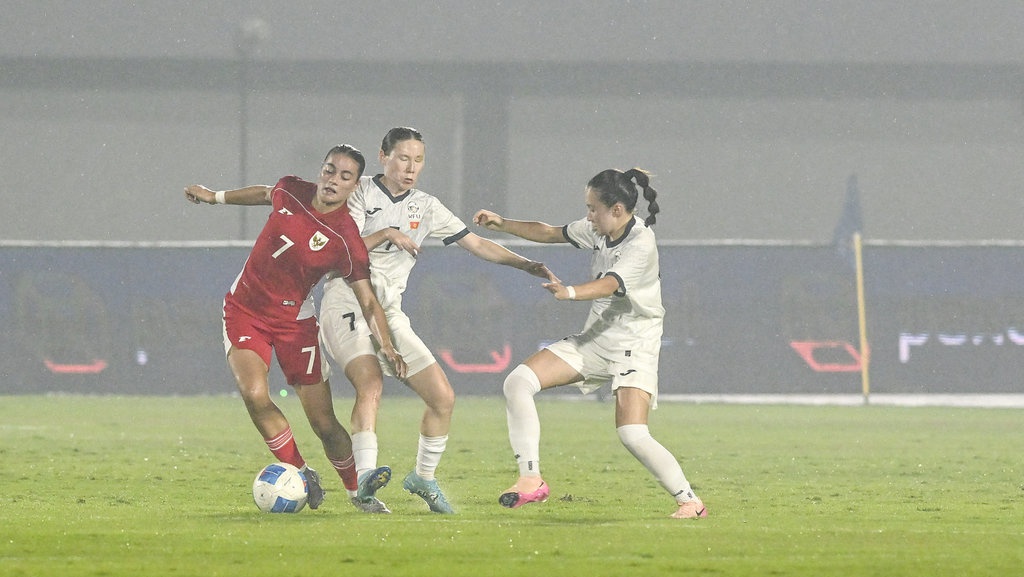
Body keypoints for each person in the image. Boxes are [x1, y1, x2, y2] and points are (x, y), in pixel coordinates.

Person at [318, 127, 556, 514]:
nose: (411, 168)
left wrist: (525, 264)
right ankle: (365, 480)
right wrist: (388, 232)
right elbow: (343, 249)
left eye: (418, 160)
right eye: (403, 158)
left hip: (389, 311)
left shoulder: (426, 206)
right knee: (370, 381)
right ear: (383, 157)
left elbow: (476, 243)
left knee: (442, 398)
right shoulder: (359, 191)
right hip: (346, 298)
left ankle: (423, 478)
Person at [472, 168, 708, 519]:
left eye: (593, 208)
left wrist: (568, 292)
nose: (588, 216)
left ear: (617, 209)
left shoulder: (640, 243)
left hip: (635, 345)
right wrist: (502, 223)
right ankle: (531, 479)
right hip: (595, 340)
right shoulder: (599, 229)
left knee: (632, 434)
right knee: (518, 382)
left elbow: (610, 284)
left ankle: (690, 501)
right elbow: (550, 232)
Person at [184, 144, 407, 512]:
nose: (333, 180)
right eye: (330, 170)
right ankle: (302, 473)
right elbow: (264, 193)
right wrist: (215, 197)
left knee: (324, 423)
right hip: (245, 311)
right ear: (321, 170)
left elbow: (368, 300)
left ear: (355, 186)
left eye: (345, 176)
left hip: (295, 325)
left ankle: (358, 493)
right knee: (254, 394)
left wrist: (387, 345)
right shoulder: (291, 190)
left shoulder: (346, 240)